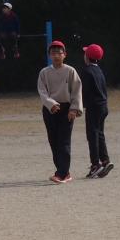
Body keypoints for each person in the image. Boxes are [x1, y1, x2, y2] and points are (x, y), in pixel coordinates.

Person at [37, 40, 83, 184]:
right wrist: (51, 104)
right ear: (49, 55)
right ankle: (64, 171)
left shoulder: (70, 71)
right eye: (53, 53)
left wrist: (74, 109)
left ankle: (62, 174)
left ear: (65, 55)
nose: (56, 55)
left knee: (63, 141)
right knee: (53, 141)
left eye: (59, 53)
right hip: (50, 110)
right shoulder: (44, 72)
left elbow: (77, 91)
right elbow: (42, 92)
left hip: (66, 110)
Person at [80, 44, 114, 179]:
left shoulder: (87, 71)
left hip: (94, 107)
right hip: (103, 106)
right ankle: (105, 160)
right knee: (99, 133)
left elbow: (85, 91)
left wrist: (78, 105)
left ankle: (96, 164)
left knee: (92, 135)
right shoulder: (99, 70)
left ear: (87, 57)